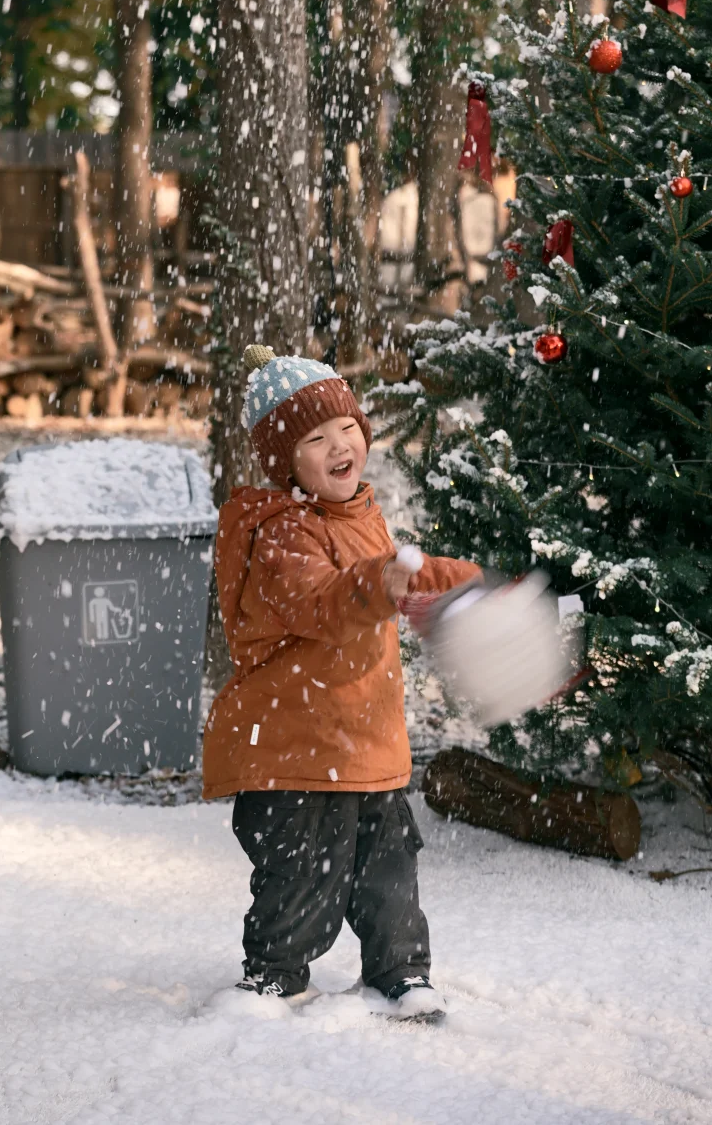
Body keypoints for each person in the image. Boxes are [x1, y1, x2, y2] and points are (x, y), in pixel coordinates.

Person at [202, 345, 481, 1021]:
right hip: (296, 746)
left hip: (364, 739)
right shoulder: (278, 534)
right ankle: (273, 978)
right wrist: (380, 582)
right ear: (284, 461)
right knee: (301, 873)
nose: (339, 445)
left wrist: (467, 586)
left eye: (347, 428)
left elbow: (391, 573)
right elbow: (323, 600)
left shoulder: (361, 513)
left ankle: (400, 974)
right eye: (315, 437)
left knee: (389, 870)